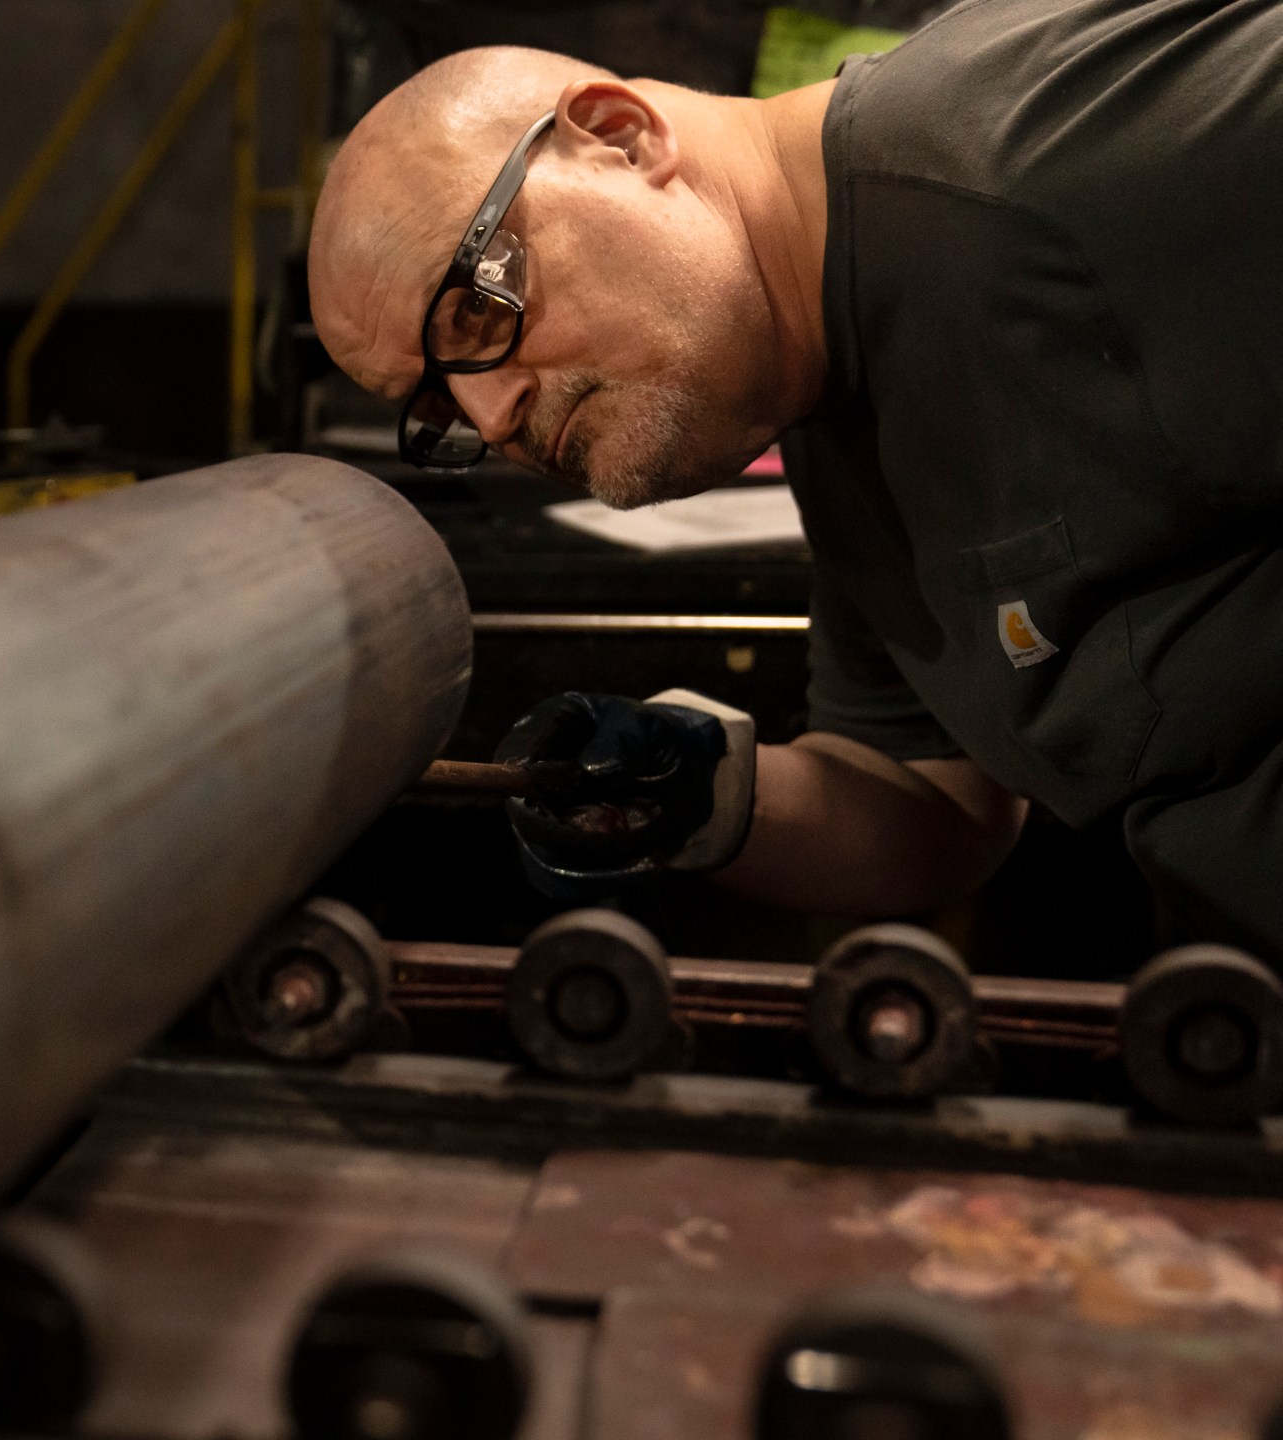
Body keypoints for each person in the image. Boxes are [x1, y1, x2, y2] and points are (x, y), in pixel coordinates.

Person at [305, 0, 1283, 953]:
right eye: (438, 404)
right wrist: (703, 790)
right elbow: (936, 803)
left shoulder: (1043, 140)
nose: (490, 414)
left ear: (621, 137)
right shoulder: (828, 391)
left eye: (475, 311)